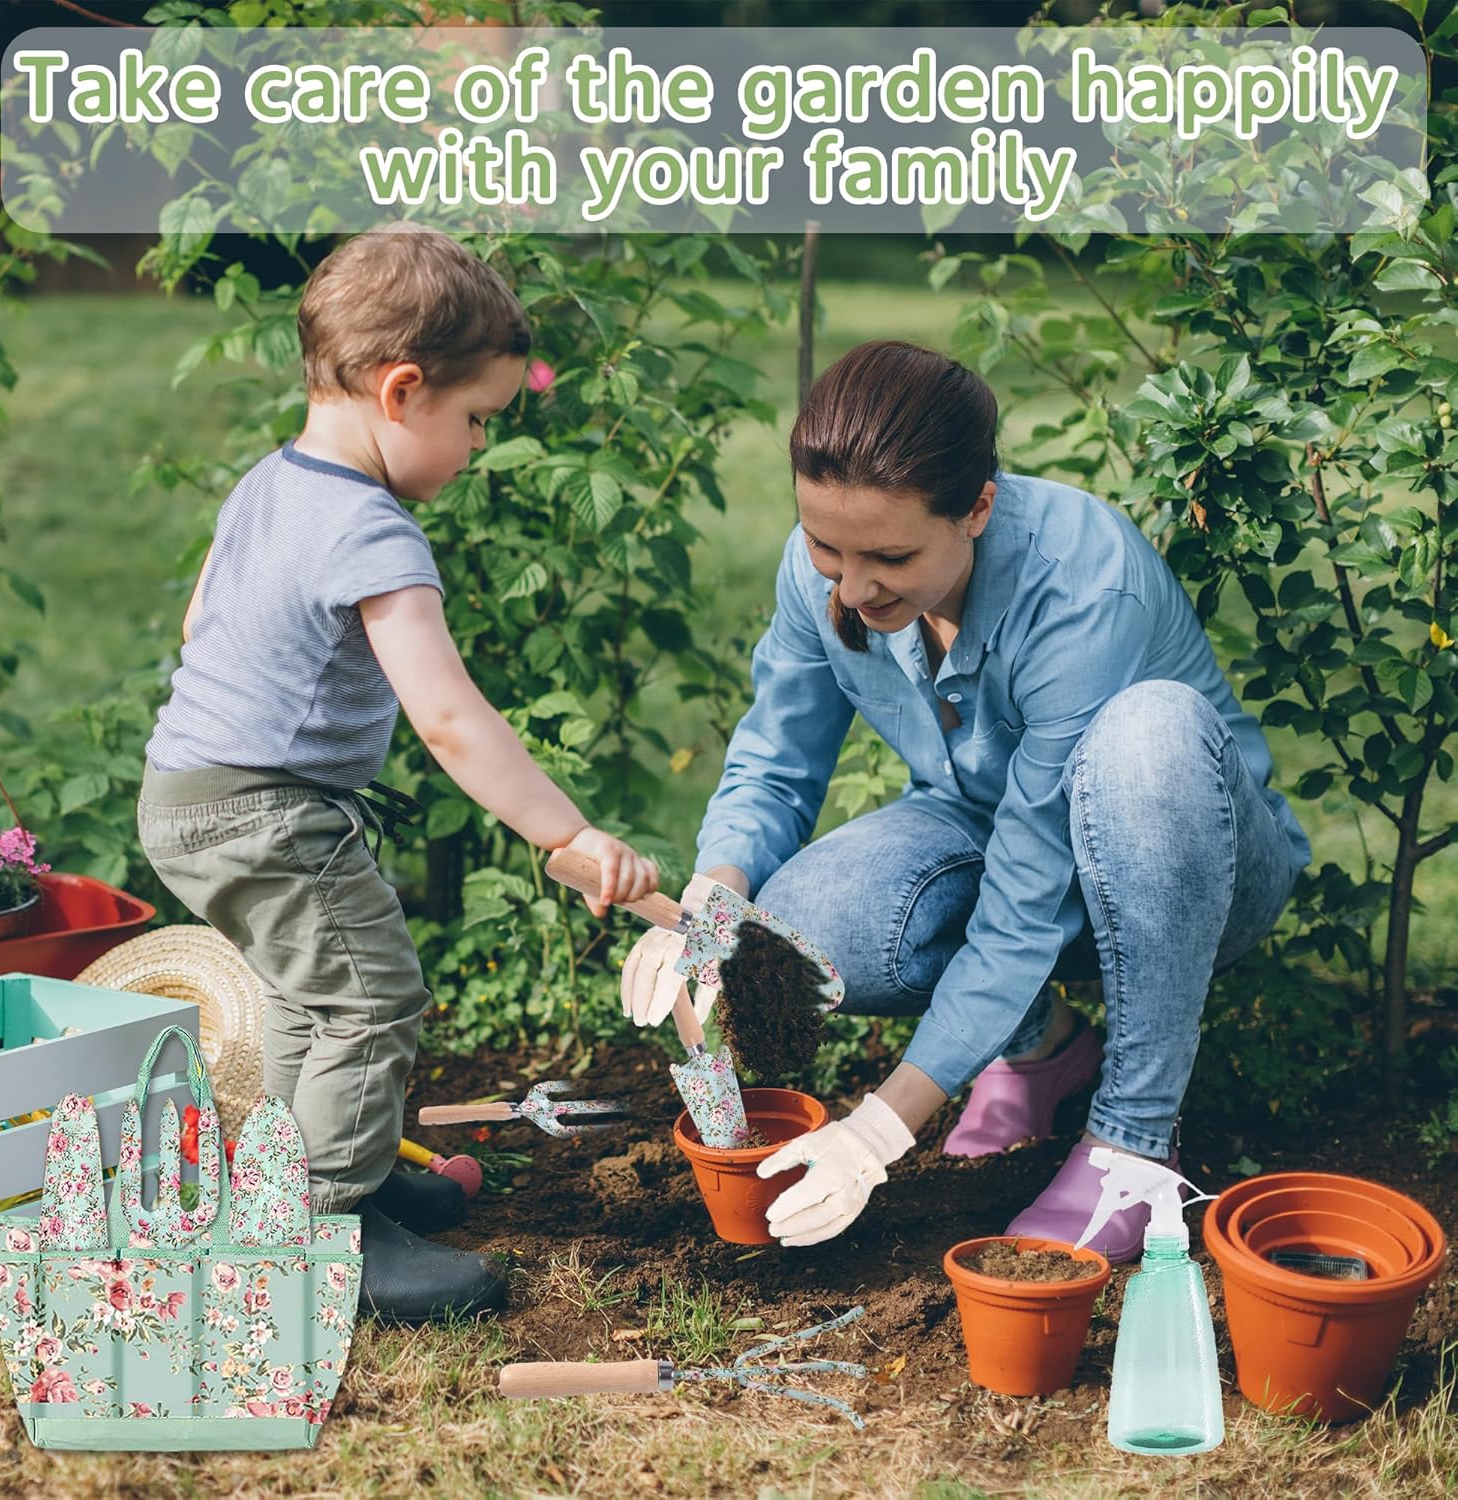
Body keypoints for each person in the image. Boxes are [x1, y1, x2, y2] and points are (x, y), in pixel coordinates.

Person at [622, 340, 1309, 1259]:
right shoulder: (830, 573)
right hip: (992, 832)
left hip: (1189, 870)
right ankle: (1042, 1049)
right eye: (826, 547)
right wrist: (711, 906)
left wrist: (879, 1130)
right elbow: (776, 760)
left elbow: (1024, 902)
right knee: (805, 923)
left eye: (890, 556)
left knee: (1150, 731)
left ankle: (1135, 1144)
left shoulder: (1080, 585)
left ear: (977, 507)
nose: (852, 588)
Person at [137, 224, 659, 1322]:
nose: (478, 445)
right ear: (403, 390)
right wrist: (565, 833)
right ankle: (324, 1238)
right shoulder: (372, 531)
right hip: (266, 810)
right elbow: (450, 718)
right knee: (371, 999)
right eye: (476, 419)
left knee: (308, 999)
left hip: (185, 793)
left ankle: (331, 1179)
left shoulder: (267, 485)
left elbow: (195, 622)